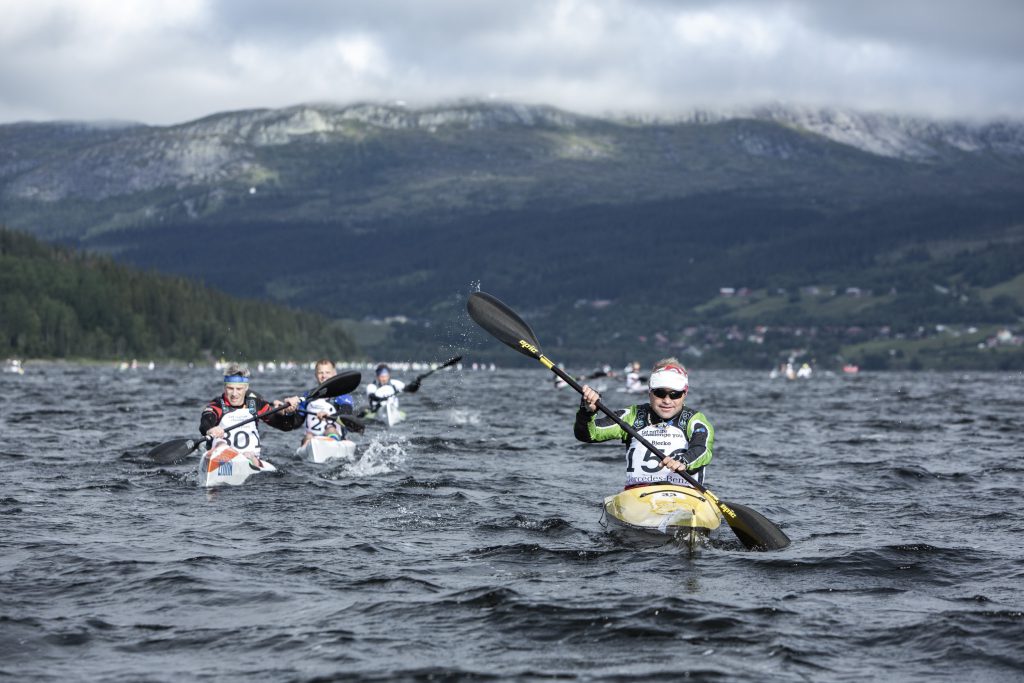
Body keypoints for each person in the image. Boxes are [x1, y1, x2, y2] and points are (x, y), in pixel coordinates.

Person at [575, 358, 713, 489]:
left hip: (686, 495)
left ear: (685, 393)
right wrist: (587, 411)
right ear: (649, 391)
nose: (667, 401)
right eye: (660, 393)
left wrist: (684, 460)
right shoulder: (632, 415)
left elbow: (703, 449)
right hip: (640, 495)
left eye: (674, 394)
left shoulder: (695, 420)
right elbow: (588, 434)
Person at [199, 364, 301, 456]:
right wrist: (210, 429)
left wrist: (289, 413)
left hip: (250, 458)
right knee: (220, 444)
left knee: (248, 455)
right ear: (225, 387)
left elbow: (286, 426)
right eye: (230, 388)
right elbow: (205, 421)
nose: (234, 394)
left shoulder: (256, 405)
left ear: (246, 388)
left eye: (239, 389)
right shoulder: (217, 405)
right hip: (221, 457)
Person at [298, 359, 355, 446]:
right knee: (308, 436)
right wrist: (288, 412)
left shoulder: (342, 395)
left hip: (335, 437)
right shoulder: (308, 396)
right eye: (320, 373)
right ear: (316, 375)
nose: (324, 376)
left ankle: (332, 441)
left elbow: (347, 411)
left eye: (327, 372)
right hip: (312, 440)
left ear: (334, 374)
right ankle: (308, 445)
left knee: (330, 430)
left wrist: (330, 416)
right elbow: (296, 422)